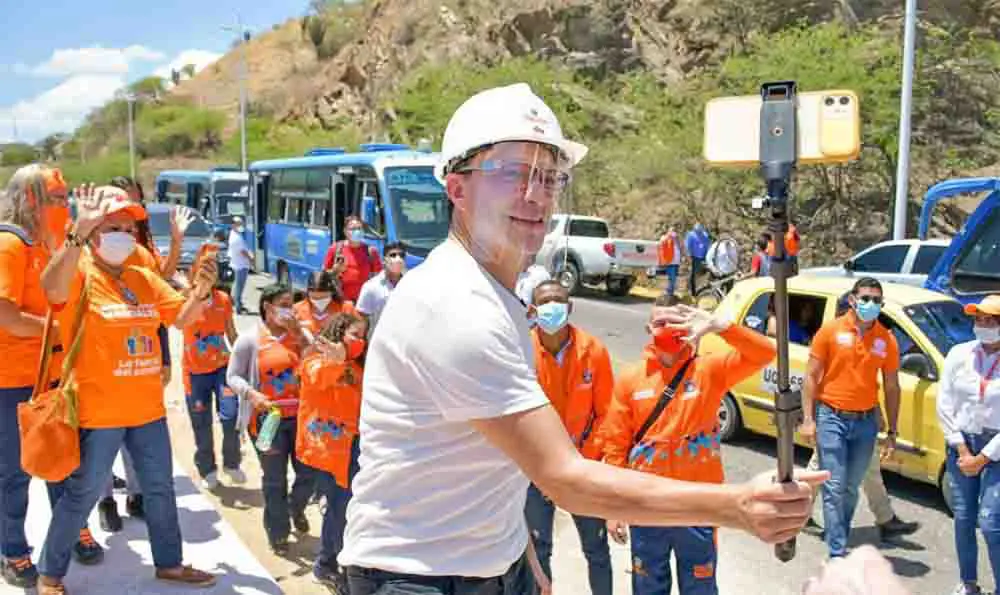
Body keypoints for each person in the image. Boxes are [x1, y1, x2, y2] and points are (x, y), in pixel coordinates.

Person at [336, 83, 826, 595]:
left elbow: (493, 458)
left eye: (549, 177)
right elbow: (563, 478)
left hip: (489, 566)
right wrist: (737, 506)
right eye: (511, 173)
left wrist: (519, 560)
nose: (536, 195)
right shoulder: (455, 306)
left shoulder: (497, 294)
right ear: (456, 189)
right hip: (417, 578)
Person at [38, 185, 216, 592]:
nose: (123, 234)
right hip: (98, 414)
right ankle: (50, 575)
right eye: (112, 225)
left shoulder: (141, 276)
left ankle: (169, 563)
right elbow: (51, 289)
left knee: (159, 489)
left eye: (128, 227)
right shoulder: (80, 271)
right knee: (81, 494)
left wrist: (201, 291)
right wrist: (75, 235)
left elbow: (182, 318)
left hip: (147, 410)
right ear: (92, 230)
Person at [602, 295, 777, 595]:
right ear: (648, 328)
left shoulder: (709, 371)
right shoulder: (631, 380)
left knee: (700, 588)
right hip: (646, 506)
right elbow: (615, 447)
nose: (667, 328)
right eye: (660, 323)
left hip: (699, 505)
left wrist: (722, 327)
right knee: (647, 588)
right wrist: (613, 509)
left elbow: (766, 353)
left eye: (675, 321)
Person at [0, 166, 104, 587]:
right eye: (58, 198)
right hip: (12, 380)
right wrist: (61, 330)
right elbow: (4, 314)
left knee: (64, 461)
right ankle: (13, 550)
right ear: (30, 199)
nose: (65, 206)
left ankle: (70, 531)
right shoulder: (9, 244)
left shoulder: (51, 243)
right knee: (15, 471)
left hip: (57, 376)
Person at [802, 293, 919, 542]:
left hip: (860, 418)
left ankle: (885, 518)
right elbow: (820, 380)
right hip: (833, 415)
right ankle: (811, 521)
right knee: (823, 472)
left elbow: (862, 381)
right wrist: (810, 419)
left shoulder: (874, 340)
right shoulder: (831, 338)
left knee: (867, 468)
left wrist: (875, 410)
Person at [524, 280, 613, 595]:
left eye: (559, 300)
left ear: (570, 307)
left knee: (596, 549)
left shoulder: (594, 351)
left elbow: (607, 413)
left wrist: (582, 459)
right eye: (545, 302)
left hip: (583, 465)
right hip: (535, 469)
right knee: (538, 548)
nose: (552, 307)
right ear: (532, 310)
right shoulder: (521, 350)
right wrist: (541, 462)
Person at [227, 284, 316, 555]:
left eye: (291, 304)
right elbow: (233, 376)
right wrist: (252, 395)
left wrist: (299, 334)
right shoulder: (250, 340)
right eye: (283, 303)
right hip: (268, 420)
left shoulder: (300, 335)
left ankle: (295, 507)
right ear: (267, 306)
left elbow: (318, 360)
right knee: (275, 478)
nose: (288, 310)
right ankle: (277, 532)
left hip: (302, 419)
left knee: (309, 473)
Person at [297, 312, 367, 591]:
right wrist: (336, 360)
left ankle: (333, 560)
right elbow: (316, 377)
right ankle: (333, 567)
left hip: (357, 447)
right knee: (340, 508)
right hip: (328, 451)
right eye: (354, 335)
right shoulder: (315, 362)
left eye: (363, 336)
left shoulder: (361, 366)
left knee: (348, 508)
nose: (359, 341)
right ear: (337, 334)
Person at [936, 294, 1000, 595]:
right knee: (963, 517)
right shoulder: (959, 354)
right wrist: (962, 449)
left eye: (991, 320)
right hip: (963, 444)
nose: (983, 325)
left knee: (990, 522)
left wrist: (983, 458)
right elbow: (944, 404)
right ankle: (968, 583)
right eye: (979, 319)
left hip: (996, 450)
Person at [182, 244, 244, 490]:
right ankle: (207, 468)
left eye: (213, 269)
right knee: (202, 424)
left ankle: (232, 462)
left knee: (230, 417)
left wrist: (245, 360)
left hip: (222, 370)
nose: (209, 273)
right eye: (204, 268)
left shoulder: (224, 300)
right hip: (195, 375)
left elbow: (231, 332)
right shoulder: (184, 299)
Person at [322, 216, 382, 302]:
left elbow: (379, 278)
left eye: (359, 228)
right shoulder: (335, 249)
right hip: (340, 302)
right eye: (353, 229)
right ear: (345, 231)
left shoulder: (371, 251)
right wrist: (335, 270)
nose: (356, 232)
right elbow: (323, 276)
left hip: (363, 303)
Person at [356, 242, 406, 335]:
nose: (398, 259)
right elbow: (361, 319)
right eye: (393, 255)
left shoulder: (410, 284)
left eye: (401, 255)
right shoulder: (371, 287)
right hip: (379, 344)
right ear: (384, 260)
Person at [294, 270, 356, 337]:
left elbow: (358, 335)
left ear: (331, 292)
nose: (318, 302)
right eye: (314, 298)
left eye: (323, 298)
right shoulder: (297, 309)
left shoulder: (347, 309)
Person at [227, 216, 253, 315]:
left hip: (239, 264)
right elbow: (242, 251)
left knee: (238, 286)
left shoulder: (236, 234)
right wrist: (251, 258)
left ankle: (238, 304)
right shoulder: (235, 237)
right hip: (240, 265)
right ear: (233, 225)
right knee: (239, 287)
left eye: (241, 223)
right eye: (238, 224)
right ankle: (238, 307)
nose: (240, 225)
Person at [685, 223, 710, 297]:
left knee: (704, 274)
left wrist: (707, 257)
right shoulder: (690, 235)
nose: (699, 232)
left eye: (700, 230)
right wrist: (689, 256)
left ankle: (702, 291)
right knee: (693, 275)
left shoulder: (705, 235)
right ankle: (692, 292)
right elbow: (688, 246)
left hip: (703, 258)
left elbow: (707, 245)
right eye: (697, 230)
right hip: (694, 257)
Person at [657, 227, 681, 297]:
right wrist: (668, 236)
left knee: (673, 278)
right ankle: (669, 292)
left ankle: (671, 293)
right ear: (668, 231)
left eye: (675, 231)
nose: (674, 232)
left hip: (676, 263)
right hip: (670, 262)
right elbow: (661, 243)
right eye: (672, 231)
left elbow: (681, 248)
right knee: (672, 278)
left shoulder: (677, 240)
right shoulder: (665, 238)